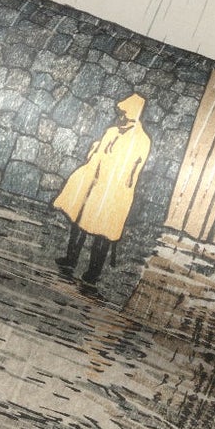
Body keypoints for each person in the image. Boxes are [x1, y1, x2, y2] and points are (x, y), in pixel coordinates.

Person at [52, 94, 151, 288]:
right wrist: (94, 152)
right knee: (80, 221)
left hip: (115, 191)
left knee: (103, 232)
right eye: (120, 114)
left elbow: (131, 169)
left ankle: (93, 273)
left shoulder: (141, 140)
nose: (120, 117)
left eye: (124, 114)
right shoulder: (112, 131)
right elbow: (98, 154)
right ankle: (71, 259)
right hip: (94, 184)